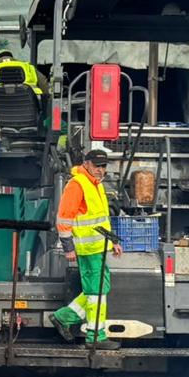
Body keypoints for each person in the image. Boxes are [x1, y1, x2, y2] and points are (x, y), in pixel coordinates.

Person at [50, 148, 124, 348]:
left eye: (103, 166)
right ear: (87, 164)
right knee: (96, 293)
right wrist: (68, 247)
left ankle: (62, 317)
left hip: (99, 248)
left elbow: (100, 221)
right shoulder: (77, 184)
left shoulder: (96, 184)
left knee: (99, 289)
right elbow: (64, 218)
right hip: (87, 249)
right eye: (97, 165)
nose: (101, 170)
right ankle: (95, 337)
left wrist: (113, 242)